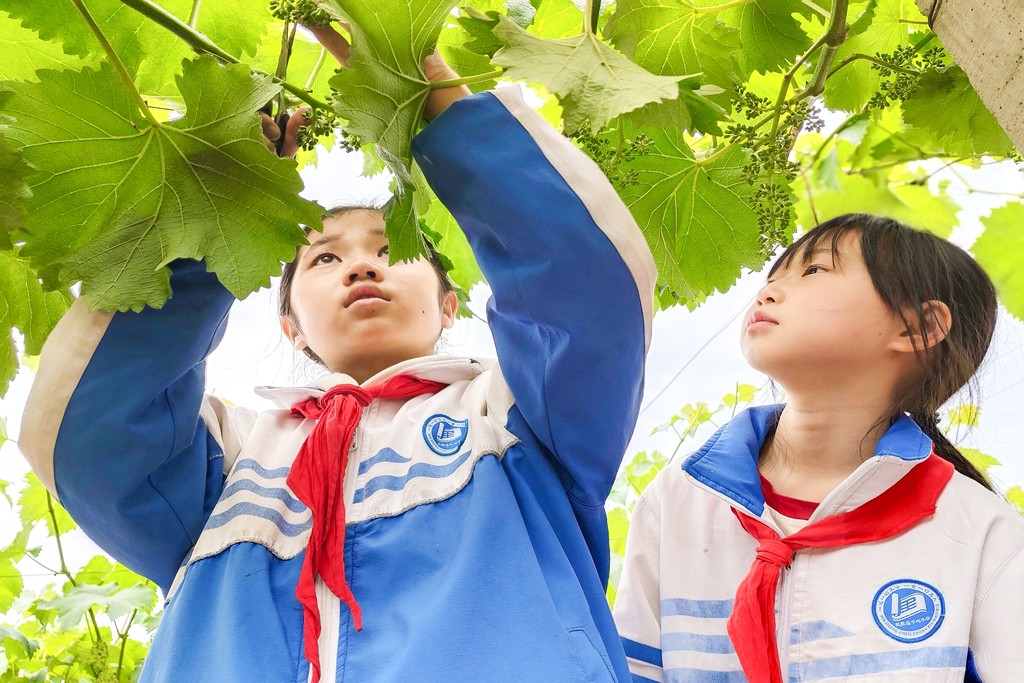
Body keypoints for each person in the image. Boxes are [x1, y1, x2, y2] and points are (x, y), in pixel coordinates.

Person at [19, 26, 656, 683]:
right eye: (324, 258)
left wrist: (425, 92)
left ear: (449, 305)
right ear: (292, 326)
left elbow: (588, 285)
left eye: (390, 248)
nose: (360, 267)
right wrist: (213, 216)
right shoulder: (230, 458)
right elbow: (89, 432)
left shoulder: (517, 414)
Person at [613, 214, 1024, 682]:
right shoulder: (676, 501)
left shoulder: (982, 530)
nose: (766, 293)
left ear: (918, 325)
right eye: (772, 278)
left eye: (814, 270)